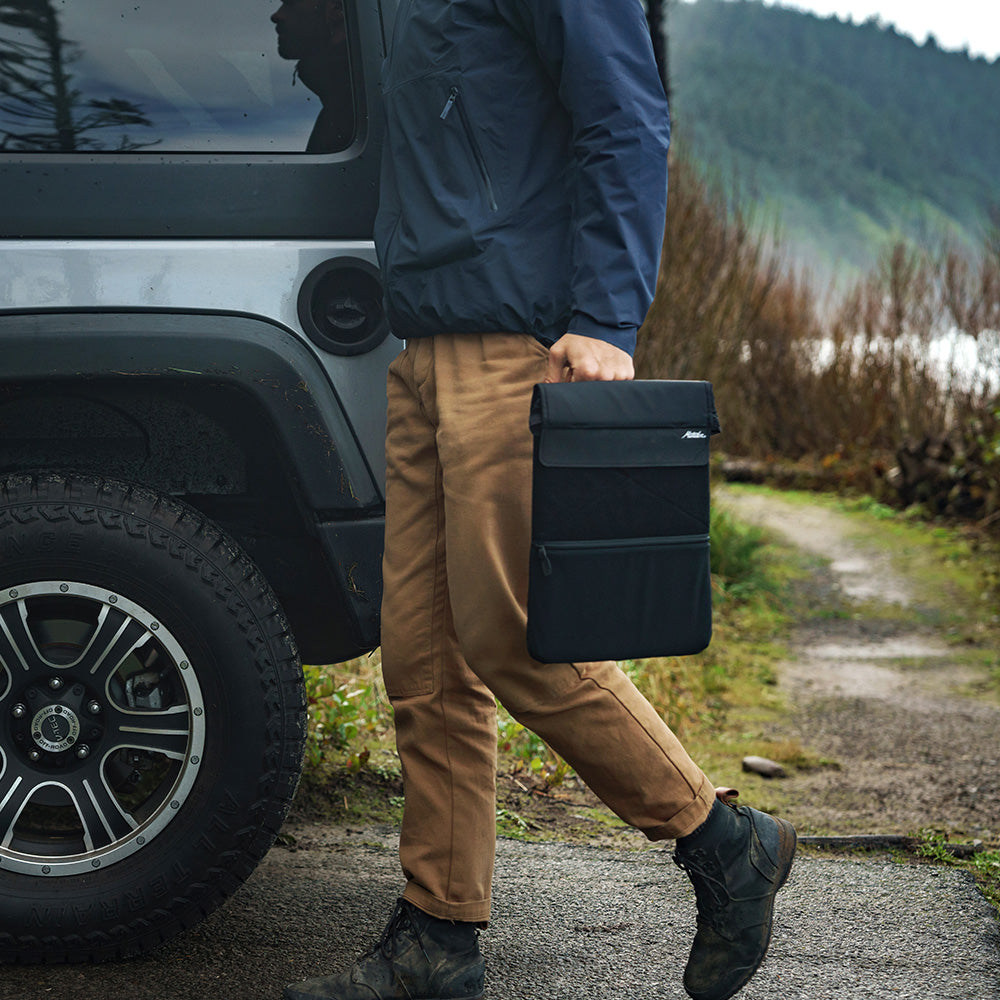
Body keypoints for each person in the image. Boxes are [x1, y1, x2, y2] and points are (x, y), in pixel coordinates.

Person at [284, 2, 796, 999]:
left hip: (515, 347)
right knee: (423, 662)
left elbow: (625, 114)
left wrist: (607, 315)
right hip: (424, 348)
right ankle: (437, 934)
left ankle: (722, 837)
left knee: (511, 636)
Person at [271, 0, 354, 153]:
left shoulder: (353, 114)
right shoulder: (350, 104)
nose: (276, 16)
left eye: (290, 3)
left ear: (337, 9)